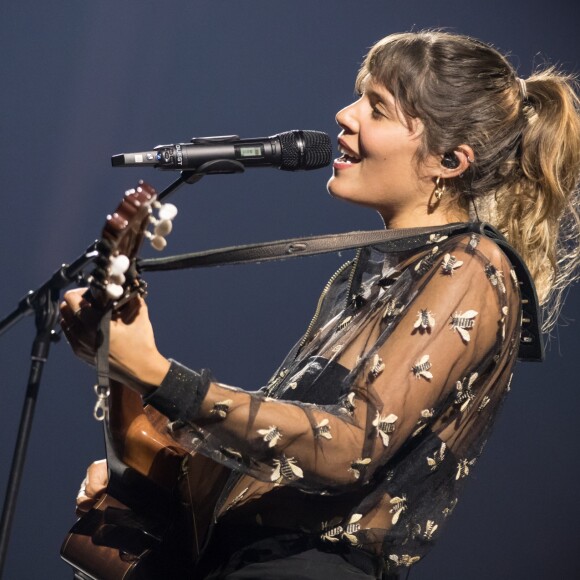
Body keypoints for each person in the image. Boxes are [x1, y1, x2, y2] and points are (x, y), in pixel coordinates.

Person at [60, 30, 580, 579]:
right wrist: (147, 472)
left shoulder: (473, 265)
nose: (344, 114)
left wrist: (159, 375)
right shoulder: (363, 275)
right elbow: (282, 456)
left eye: (376, 108)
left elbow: (350, 447)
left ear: (448, 160)